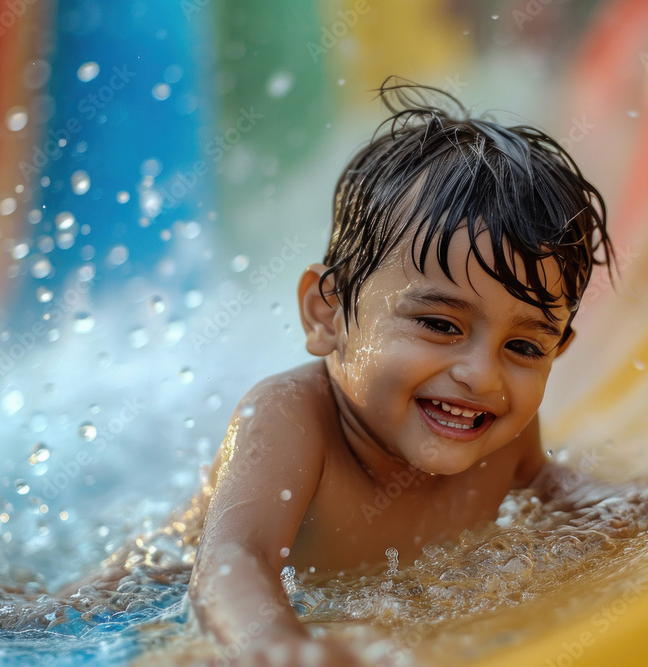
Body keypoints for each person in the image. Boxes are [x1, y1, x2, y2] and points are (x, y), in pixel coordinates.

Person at [188, 78, 614, 663]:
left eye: (524, 348)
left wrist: (639, 508)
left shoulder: (495, 428)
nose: (482, 377)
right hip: (155, 596)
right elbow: (232, 561)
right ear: (327, 313)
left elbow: (550, 487)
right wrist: (277, 645)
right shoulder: (290, 418)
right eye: (441, 325)